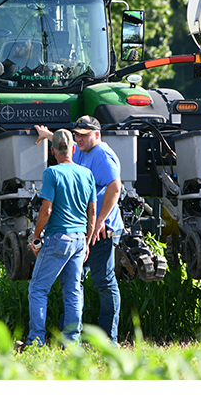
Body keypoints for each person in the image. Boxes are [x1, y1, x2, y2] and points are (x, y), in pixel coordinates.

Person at [34, 115, 124, 342]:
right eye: (77, 135)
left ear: (97, 134)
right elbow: (65, 146)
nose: (80, 138)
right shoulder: (82, 151)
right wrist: (48, 136)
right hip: (84, 231)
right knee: (75, 285)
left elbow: (115, 187)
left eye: (85, 135)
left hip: (102, 230)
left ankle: (108, 339)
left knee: (103, 281)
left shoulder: (101, 153)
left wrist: (101, 220)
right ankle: (71, 337)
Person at [25, 129, 96, 347]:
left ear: (53, 151)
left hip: (58, 238)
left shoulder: (52, 173)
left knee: (38, 289)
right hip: (78, 239)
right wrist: (87, 241)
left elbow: (46, 211)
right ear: (73, 149)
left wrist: (36, 237)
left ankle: (36, 340)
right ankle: (72, 342)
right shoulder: (87, 174)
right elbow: (92, 211)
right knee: (73, 292)